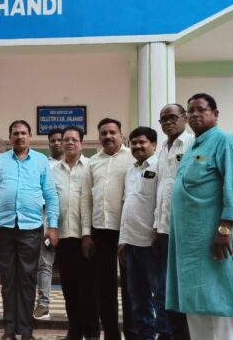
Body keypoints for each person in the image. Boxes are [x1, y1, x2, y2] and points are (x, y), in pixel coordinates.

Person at [168, 93, 233, 340]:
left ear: (215, 114)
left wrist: (225, 229)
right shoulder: (193, 148)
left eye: (201, 109)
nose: (195, 114)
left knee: (219, 305)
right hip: (190, 248)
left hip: (215, 241)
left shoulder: (226, 142)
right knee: (196, 309)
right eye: (191, 111)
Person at [0, 120, 59, 340]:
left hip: (31, 228)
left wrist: (53, 226)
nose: (20, 136)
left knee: (27, 279)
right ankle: (9, 329)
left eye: (24, 133)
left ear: (30, 137)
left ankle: (25, 330)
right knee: (8, 279)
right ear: (10, 137)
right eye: (15, 133)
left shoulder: (41, 161)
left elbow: (51, 195)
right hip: (3, 227)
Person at [83, 118, 134, 340]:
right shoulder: (93, 162)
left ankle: (133, 334)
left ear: (122, 135)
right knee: (105, 288)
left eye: (113, 132)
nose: (108, 136)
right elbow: (86, 199)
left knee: (130, 287)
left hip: (127, 232)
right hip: (100, 232)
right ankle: (111, 334)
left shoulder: (132, 158)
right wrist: (86, 233)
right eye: (103, 133)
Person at [118, 127, 170, 340]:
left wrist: (158, 231)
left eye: (142, 142)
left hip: (151, 244)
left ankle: (165, 335)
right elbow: (127, 206)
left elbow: (162, 201)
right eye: (134, 143)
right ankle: (144, 336)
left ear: (154, 144)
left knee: (160, 295)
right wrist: (122, 240)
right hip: (131, 244)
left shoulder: (160, 167)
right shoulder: (131, 171)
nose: (137, 146)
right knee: (137, 296)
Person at [52, 126, 99, 340]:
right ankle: (75, 329)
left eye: (74, 139)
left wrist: (87, 234)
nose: (70, 142)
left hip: (87, 237)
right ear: (61, 143)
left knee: (89, 288)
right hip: (64, 238)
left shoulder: (91, 167)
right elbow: (50, 202)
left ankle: (91, 332)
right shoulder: (54, 171)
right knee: (69, 287)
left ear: (82, 143)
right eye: (66, 139)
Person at [154, 104, 194, 339]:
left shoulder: (191, 144)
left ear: (184, 118)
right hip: (163, 229)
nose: (168, 122)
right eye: (163, 119)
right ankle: (168, 333)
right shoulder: (162, 149)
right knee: (165, 287)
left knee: (182, 287)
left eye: (172, 117)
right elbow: (161, 190)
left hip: (183, 230)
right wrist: (155, 227)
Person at [34, 128, 64, 320]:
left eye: (60, 139)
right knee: (44, 263)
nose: (57, 143)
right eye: (53, 140)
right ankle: (43, 304)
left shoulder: (80, 164)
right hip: (46, 218)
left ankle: (78, 306)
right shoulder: (42, 164)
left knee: (74, 266)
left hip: (71, 220)